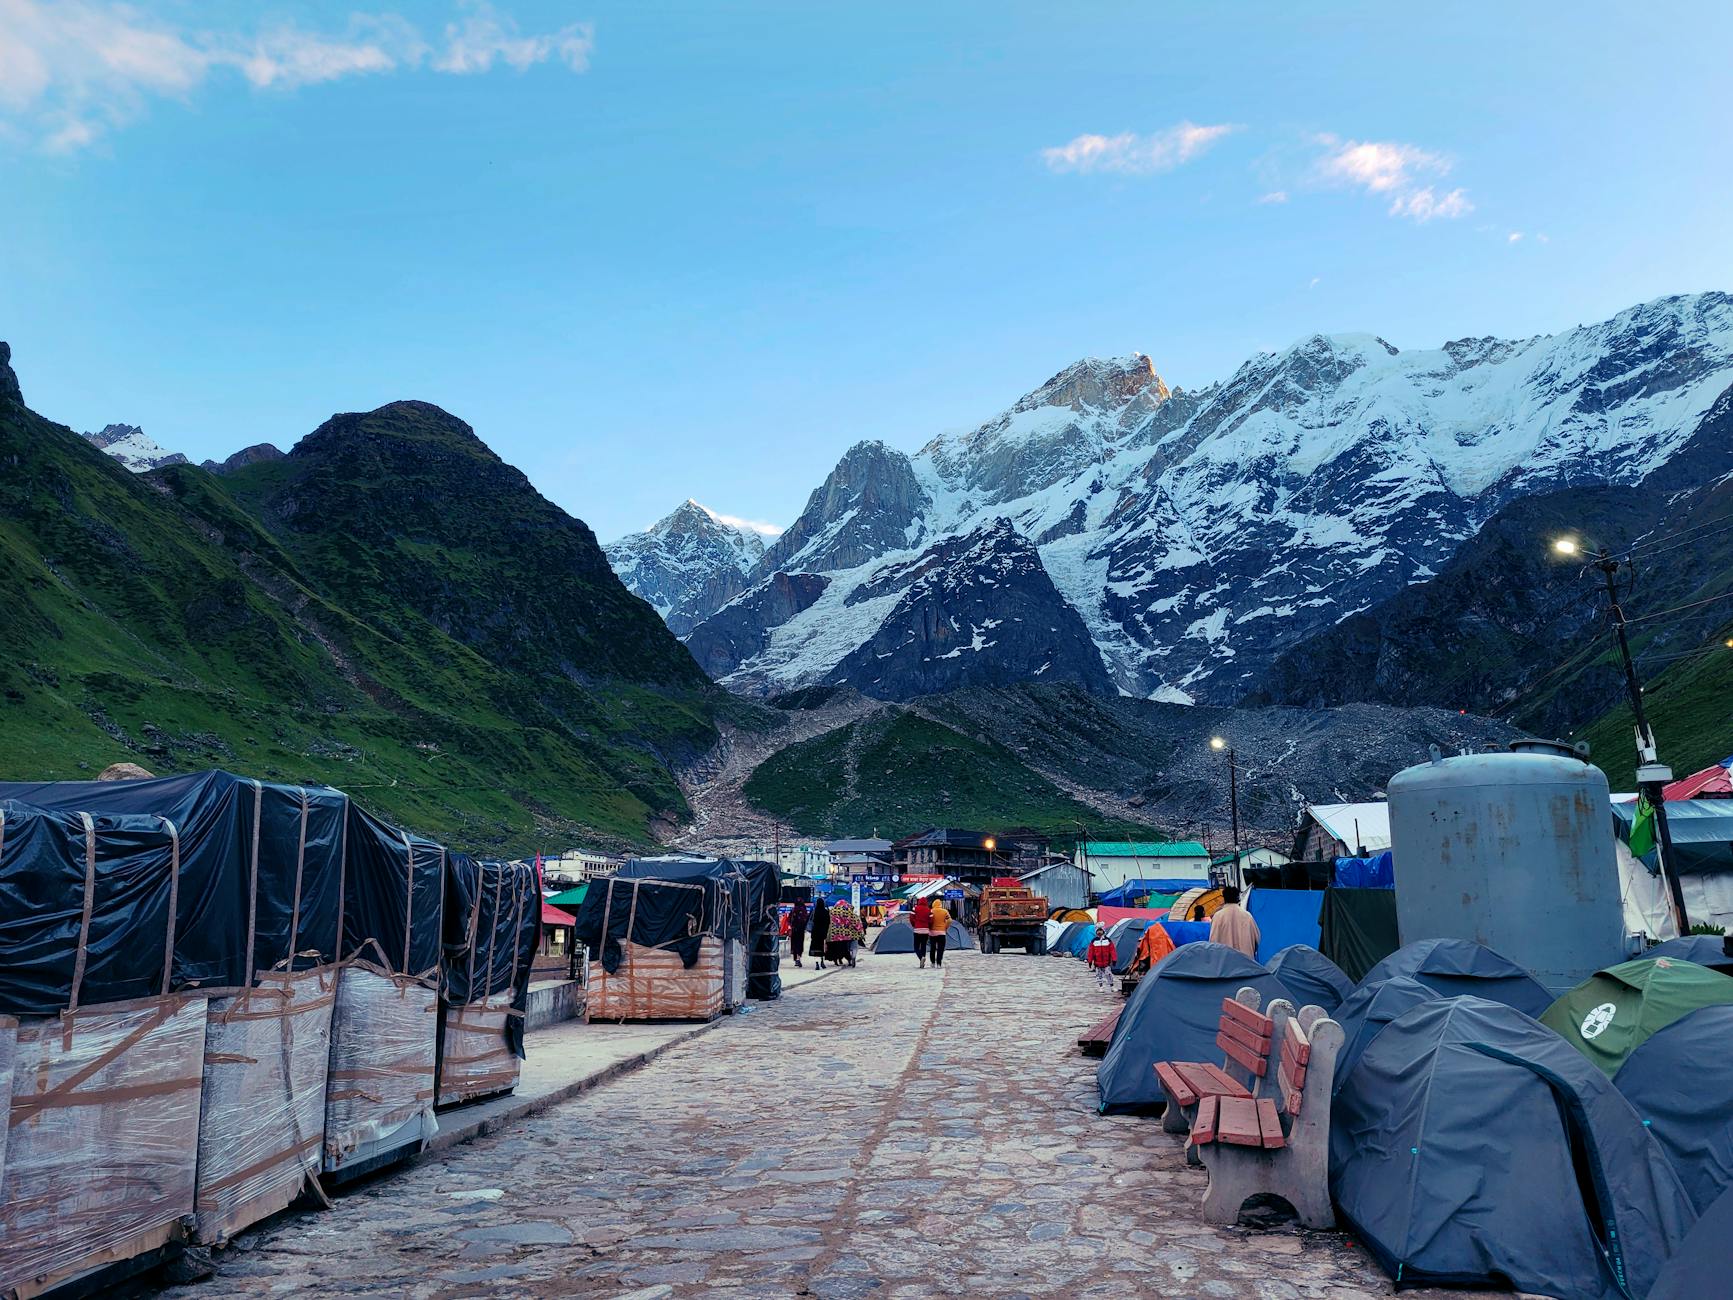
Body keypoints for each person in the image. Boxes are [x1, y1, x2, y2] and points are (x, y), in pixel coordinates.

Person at [1208, 885, 1260, 958]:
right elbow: (1257, 939)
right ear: (1238, 898)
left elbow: (1213, 941)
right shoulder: (1247, 916)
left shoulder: (1218, 916)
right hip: (1245, 962)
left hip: (1224, 962)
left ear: (1224, 898)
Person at [827, 899, 863, 967]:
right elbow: (857, 924)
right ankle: (853, 957)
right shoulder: (850, 913)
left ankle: (838, 959)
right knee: (853, 946)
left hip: (836, 935)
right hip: (850, 934)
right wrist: (860, 931)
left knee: (841, 948)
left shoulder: (832, 913)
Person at [1086, 925, 1117, 992]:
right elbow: (1091, 952)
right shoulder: (1094, 941)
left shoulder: (1108, 940)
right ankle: (1101, 986)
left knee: (1108, 974)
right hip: (1097, 962)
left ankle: (1112, 986)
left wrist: (1114, 959)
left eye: (1100, 930)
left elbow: (1112, 950)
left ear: (1103, 931)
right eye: (1098, 931)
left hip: (1106, 962)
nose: (1099, 932)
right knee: (1098, 975)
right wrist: (1090, 961)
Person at [928, 896, 951, 968]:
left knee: (932, 948)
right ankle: (939, 963)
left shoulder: (931, 911)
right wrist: (945, 927)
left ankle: (932, 962)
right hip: (942, 932)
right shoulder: (945, 911)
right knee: (940, 948)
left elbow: (929, 921)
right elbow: (949, 920)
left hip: (932, 933)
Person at [809, 896, 831, 970]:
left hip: (815, 932)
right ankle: (822, 961)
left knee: (815, 949)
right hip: (823, 932)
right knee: (822, 948)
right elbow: (828, 922)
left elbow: (811, 921)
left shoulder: (814, 912)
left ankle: (817, 963)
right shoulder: (826, 912)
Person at [911, 895, 932, 968]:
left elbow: (911, 918)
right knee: (923, 946)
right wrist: (928, 926)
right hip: (925, 931)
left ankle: (921, 958)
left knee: (916, 946)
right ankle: (923, 956)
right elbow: (931, 920)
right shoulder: (929, 910)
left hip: (917, 930)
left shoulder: (915, 908)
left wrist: (915, 924)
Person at [788, 897, 809, 968]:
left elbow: (789, 920)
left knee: (794, 943)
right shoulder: (804, 910)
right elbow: (806, 920)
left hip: (794, 930)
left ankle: (795, 958)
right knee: (800, 943)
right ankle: (798, 958)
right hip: (801, 930)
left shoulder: (793, 910)